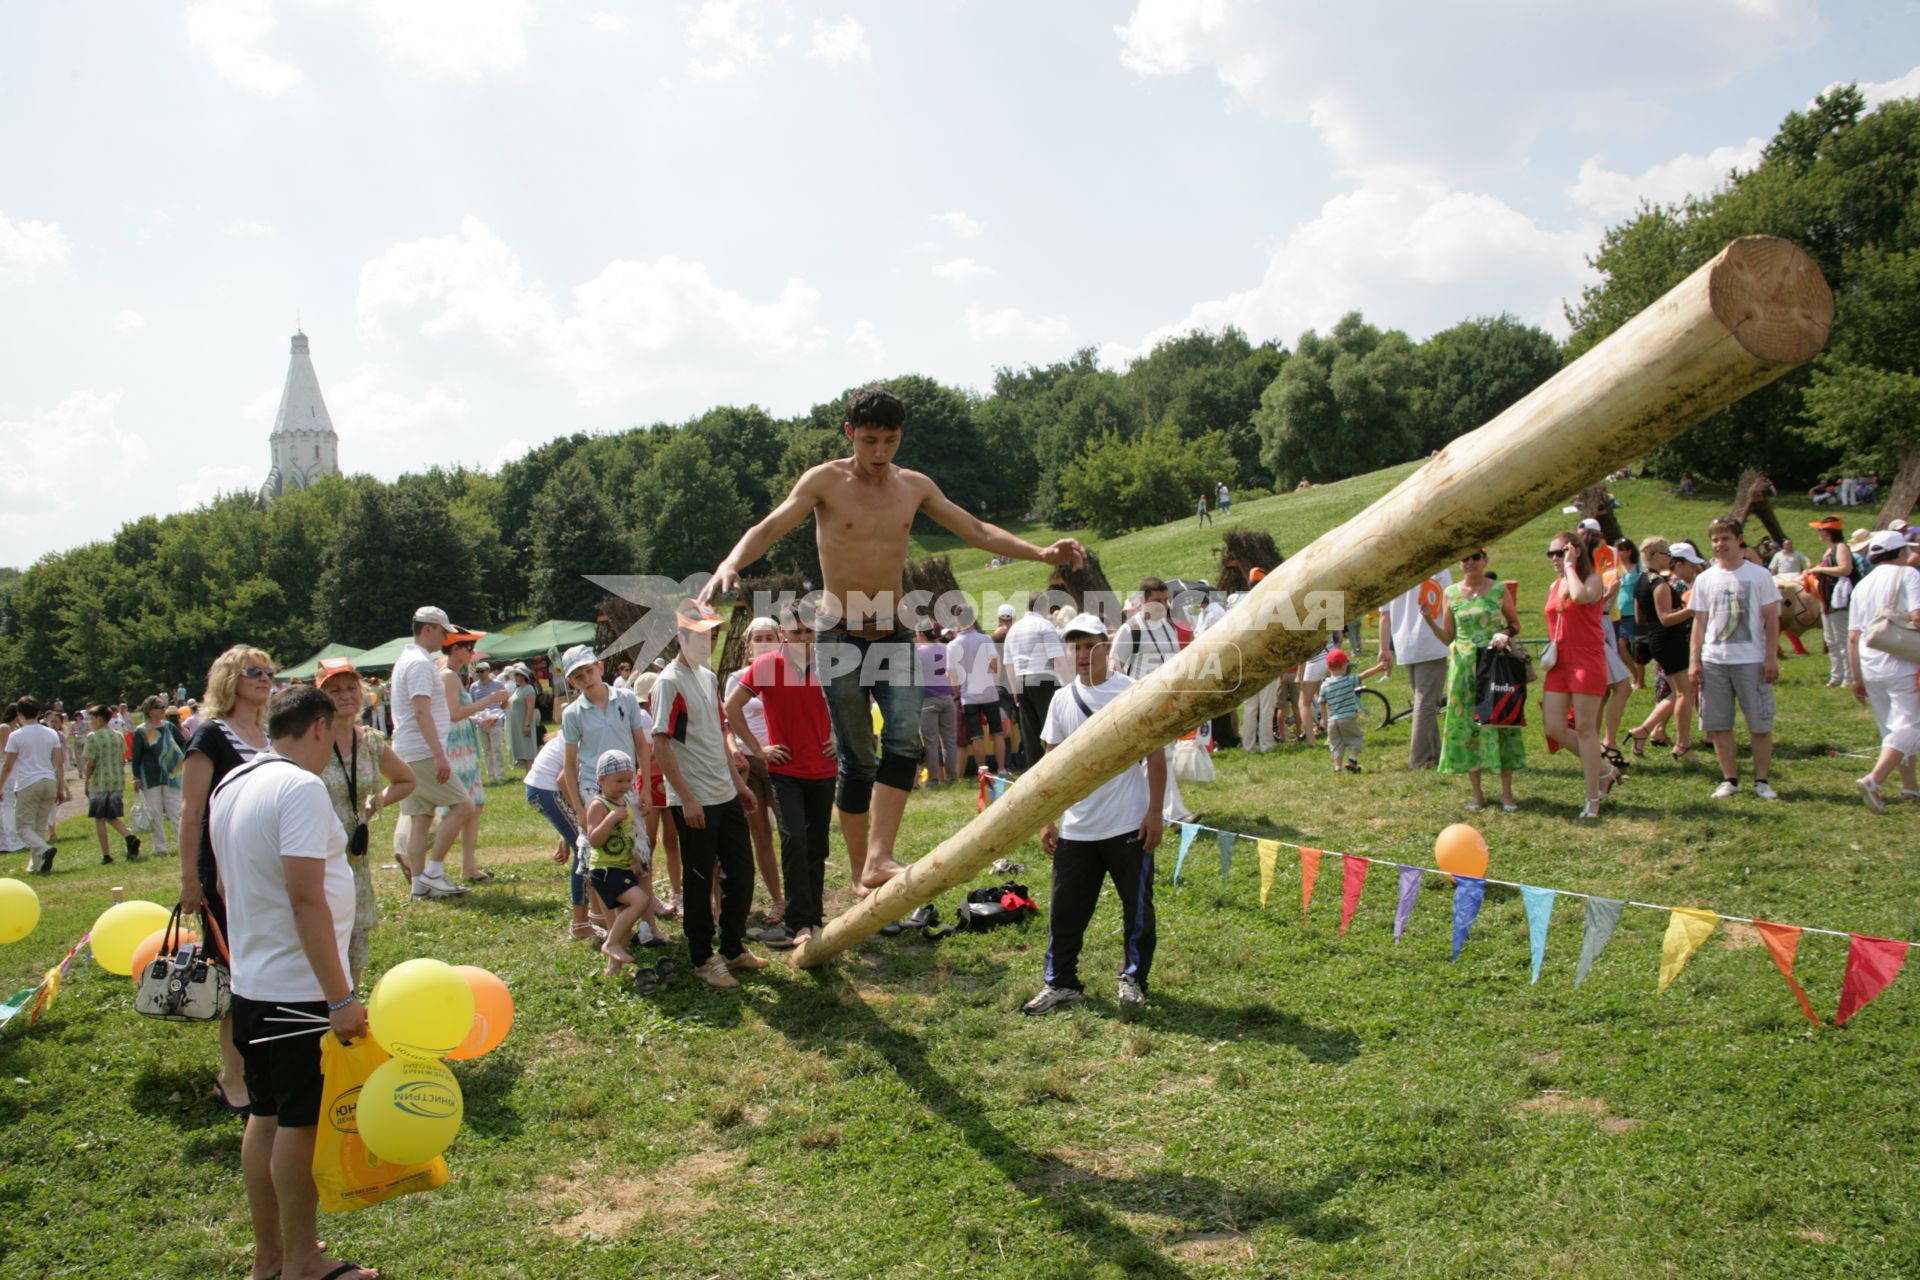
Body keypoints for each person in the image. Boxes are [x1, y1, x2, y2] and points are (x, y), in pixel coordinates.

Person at [701, 384, 1085, 891]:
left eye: (890, 440)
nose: (880, 453)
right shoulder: (824, 481)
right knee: (857, 756)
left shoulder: (914, 486)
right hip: (838, 636)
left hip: (894, 633)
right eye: (869, 441)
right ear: (849, 434)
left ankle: (879, 858)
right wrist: (732, 561)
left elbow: (977, 529)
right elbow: (771, 525)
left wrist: (1041, 553)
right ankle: (864, 872)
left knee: (903, 740)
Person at [209, 685, 376, 1280]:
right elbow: (307, 900)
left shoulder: (231, 783)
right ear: (318, 728)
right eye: (332, 737)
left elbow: (226, 889)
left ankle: (271, 1257)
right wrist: (342, 997)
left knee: (267, 1115)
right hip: (298, 992)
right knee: (299, 1124)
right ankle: (301, 1260)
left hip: (253, 986)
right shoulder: (301, 788)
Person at [1022, 614, 1165, 1016]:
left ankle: (1133, 979)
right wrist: (1047, 819)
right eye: (1077, 647)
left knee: (1137, 911)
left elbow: (1155, 754)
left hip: (1127, 823)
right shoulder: (1061, 699)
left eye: (1091, 646)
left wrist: (1155, 811)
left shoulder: (1132, 692)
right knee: (1065, 911)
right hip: (1077, 829)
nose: (1083, 655)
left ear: (1107, 646)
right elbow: (1050, 765)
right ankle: (1061, 983)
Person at [651, 600, 766, 988]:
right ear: (681, 636)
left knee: (743, 873)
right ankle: (702, 958)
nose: (709, 640)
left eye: (713, 634)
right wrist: (685, 797)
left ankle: (732, 949)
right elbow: (661, 743)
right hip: (694, 799)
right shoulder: (669, 682)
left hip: (724, 793)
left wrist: (738, 786)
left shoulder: (708, 676)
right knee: (700, 880)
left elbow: (718, 735)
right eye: (701, 634)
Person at [180, 644, 274, 1113]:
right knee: (238, 976)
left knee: (266, 970)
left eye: (268, 671)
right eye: (252, 671)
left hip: (266, 874)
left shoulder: (268, 734)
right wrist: (190, 878)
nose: (264, 678)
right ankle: (231, 1077)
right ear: (228, 679)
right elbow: (192, 811)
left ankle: (262, 1063)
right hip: (222, 876)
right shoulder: (210, 735)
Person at [734, 604, 840, 950]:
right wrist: (759, 748)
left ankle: (815, 916)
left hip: (823, 769)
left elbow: (857, 700)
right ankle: (797, 923)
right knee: (794, 839)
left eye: (809, 631)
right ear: (784, 635)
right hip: (785, 772)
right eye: (796, 632)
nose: (804, 638)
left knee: (818, 844)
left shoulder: (829, 663)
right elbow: (731, 708)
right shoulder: (766, 666)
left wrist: (840, 736)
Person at [313, 658, 416, 985]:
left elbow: (406, 780)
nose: (345, 696)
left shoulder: (370, 741)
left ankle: (350, 1001)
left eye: (350, 688)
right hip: (316, 849)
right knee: (321, 928)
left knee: (357, 933)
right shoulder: (311, 741)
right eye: (334, 690)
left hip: (356, 854)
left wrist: (375, 805)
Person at [1422, 549, 1526, 811]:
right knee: (1469, 729)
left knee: (1501, 723)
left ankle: (1507, 795)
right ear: (1459, 563)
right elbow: (1448, 637)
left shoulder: (1499, 589)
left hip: (1494, 665)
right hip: (1464, 669)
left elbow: (1515, 624)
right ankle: (1477, 795)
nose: (1470, 562)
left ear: (1485, 560)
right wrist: (1428, 621)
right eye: (1465, 558)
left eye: (1476, 557)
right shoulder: (1451, 593)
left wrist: (1504, 633)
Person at [388, 606, 481, 900]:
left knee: (421, 817)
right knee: (463, 806)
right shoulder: (418, 663)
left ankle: (418, 886)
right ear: (428, 629)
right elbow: (421, 711)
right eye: (443, 632)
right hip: (421, 751)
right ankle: (433, 872)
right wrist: (440, 755)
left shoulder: (408, 659)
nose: (445, 638)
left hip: (408, 750)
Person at [1691, 517, 1783, 801]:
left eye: (1725, 539)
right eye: (1715, 540)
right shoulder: (1705, 578)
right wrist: (1695, 660)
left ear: (1739, 540)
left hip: (1751, 659)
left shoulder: (1759, 576)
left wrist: (1770, 657)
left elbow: (1772, 619)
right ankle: (1730, 779)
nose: (1719, 545)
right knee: (1719, 724)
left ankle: (1762, 780)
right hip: (1715, 660)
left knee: (1759, 723)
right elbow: (1699, 622)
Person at [1541, 531, 1619, 819]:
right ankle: (1606, 770)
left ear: (1575, 552)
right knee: (1554, 727)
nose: (1555, 559)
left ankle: (1593, 798)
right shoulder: (1555, 583)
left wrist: (1572, 568)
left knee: (1587, 730)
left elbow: (1580, 596)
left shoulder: (1593, 579)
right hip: (1560, 662)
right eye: (1551, 554)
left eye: (1560, 553)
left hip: (1587, 659)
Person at [1110, 577, 1195, 822]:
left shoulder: (1169, 627)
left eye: (1165, 600)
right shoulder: (1131, 630)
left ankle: (1151, 810)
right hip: (1140, 704)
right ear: (1143, 601)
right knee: (1159, 756)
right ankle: (1174, 813)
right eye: (1157, 600)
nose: (1163, 605)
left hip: (1167, 701)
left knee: (1157, 757)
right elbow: (1115, 668)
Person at [1848, 529, 1920, 810]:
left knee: (1893, 729)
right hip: (1902, 663)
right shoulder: (1910, 575)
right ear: (1901, 553)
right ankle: (1874, 780)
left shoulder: (1862, 586)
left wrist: (1856, 677)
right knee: (1910, 726)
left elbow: (1853, 636)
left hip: (1870, 666)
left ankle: (1910, 786)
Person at [431, 633, 508, 884]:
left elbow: (455, 714)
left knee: (475, 806)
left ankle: (468, 866)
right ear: (455, 649)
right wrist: (488, 701)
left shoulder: (452, 675)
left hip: (463, 745)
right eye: (469, 648)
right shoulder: (448, 676)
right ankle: (426, 861)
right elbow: (453, 714)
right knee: (459, 808)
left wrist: (476, 718)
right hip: (456, 750)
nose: (472, 653)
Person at [725, 618, 787, 926]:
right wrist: (734, 749)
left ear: (780, 640)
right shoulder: (737, 677)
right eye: (758, 638)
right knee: (760, 833)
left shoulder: (789, 674)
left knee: (790, 830)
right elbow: (726, 721)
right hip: (748, 762)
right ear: (747, 645)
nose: (764, 642)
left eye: (769, 637)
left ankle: (799, 895)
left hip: (780, 759)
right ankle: (778, 901)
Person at [582, 749, 659, 977]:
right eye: (619, 781)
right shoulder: (599, 805)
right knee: (641, 901)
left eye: (628, 780)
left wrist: (634, 859)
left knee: (625, 920)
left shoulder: (624, 801)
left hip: (622, 867)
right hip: (604, 870)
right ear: (602, 779)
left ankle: (612, 969)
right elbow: (594, 840)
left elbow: (629, 834)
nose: (625, 785)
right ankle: (611, 943)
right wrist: (610, 818)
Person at [523, 733, 601, 939]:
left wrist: (567, 833)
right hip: (547, 789)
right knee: (584, 850)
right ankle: (580, 923)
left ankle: (594, 914)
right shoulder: (588, 735)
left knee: (581, 844)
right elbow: (563, 779)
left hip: (540, 788)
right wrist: (581, 816)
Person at [1378, 567, 1455, 769]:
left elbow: (1384, 616)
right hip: (1431, 642)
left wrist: (1384, 649)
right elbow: (1450, 603)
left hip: (1405, 644)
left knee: (1424, 703)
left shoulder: (1391, 573)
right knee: (1427, 704)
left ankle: (1434, 754)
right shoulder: (1439, 567)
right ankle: (1420, 760)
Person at [1005, 593, 1070, 780]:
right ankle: (1059, 770)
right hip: (1044, 679)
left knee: (1030, 732)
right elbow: (1056, 659)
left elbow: (1008, 664)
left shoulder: (1013, 629)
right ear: (1045, 606)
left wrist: (1014, 689)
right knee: (1053, 728)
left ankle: (1035, 774)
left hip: (1021, 679)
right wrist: (1070, 684)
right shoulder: (1045, 625)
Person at [0, 697, 65, 873]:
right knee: (38, 828)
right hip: (49, 781)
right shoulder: (51, 733)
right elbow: (59, 763)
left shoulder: (16, 735)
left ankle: (45, 850)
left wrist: (0, 786)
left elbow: (8, 765)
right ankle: (36, 866)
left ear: (19, 714)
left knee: (22, 828)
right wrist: (60, 788)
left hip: (28, 783)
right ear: (38, 713)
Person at [949, 607, 1007, 781]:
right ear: (973, 619)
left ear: (958, 621)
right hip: (989, 691)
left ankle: (984, 772)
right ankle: (1002, 768)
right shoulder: (985, 639)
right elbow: (996, 665)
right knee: (997, 733)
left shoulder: (953, 645)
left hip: (969, 695)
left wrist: (957, 696)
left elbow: (953, 676)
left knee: (977, 736)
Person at [130, 695, 187, 858]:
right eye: (160, 707)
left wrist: (180, 757)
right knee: (155, 813)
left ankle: (183, 843)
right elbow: (137, 756)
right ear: (150, 711)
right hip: (151, 776)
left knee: (176, 811)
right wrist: (136, 777)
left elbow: (182, 742)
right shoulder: (141, 731)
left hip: (172, 774)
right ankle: (160, 848)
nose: (164, 710)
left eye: (164, 707)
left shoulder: (168, 726)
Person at [82, 705, 139, 864]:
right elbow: (122, 758)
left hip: (100, 781)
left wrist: (87, 781)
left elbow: (90, 762)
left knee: (99, 818)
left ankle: (106, 854)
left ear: (99, 718)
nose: (90, 722)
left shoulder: (93, 737)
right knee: (110, 815)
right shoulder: (118, 735)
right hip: (116, 780)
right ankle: (129, 837)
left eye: (91, 718)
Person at [1808, 518, 1857, 687]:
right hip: (1827, 602)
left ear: (1828, 532)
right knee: (1831, 641)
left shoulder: (1841, 547)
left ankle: (1849, 678)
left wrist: (1819, 569)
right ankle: (1836, 676)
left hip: (1839, 602)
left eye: (1819, 530)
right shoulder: (1829, 550)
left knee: (1842, 640)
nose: (1818, 534)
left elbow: (1845, 568)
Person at [1316, 649, 1379, 774]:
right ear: (1345, 666)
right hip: (1348, 718)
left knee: (1336, 744)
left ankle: (1337, 768)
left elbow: (1322, 703)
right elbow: (1364, 675)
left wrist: (1325, 720)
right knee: (1356, 738)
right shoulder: (1348, 681)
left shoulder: (1324, 685)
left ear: (1328, 668)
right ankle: (1352, 759)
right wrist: (1379, 667)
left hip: (1332, 721)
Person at [914, 621, 959, 786]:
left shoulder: (918, 652)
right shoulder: (946, 648)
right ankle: (951, 777)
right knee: (949, 740)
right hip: (947, 697)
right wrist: (956, 695)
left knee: (931, 742)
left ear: (921, 634)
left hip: (927, 699)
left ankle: (933, 779)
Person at [470, 659, 510, 785]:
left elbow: (505, 700)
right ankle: (491, 775)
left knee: (497, 748)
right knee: (486, 750)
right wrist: (478, 719)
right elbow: (472, 704)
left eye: (482, 671)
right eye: (478, 671)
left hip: (495, 721)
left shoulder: (498, 684)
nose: (480, 673)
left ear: (488, 671)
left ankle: (500, 775)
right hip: (481, 722)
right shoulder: (474, 687)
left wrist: (498, 713)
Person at [1612, 541, 1646, 690]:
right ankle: (1635, 674)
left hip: (1635, 611)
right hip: (1619, 612)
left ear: (1630, 551)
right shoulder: (1614, 568)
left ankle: (1640, 680)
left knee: (1637, 647)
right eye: (1617, 550)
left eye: (1622, 550)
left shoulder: (1638, 567)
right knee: (1620, 645)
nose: (1619, 553)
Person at [507, 663, 540, 772]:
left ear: (523, 676)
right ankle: (528, 775)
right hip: (516, 725)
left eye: (517, 674)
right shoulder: (517, 689)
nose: (515, 677)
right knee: (523, 752)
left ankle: (531, 776)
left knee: (528, 752)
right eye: (515, 675)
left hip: (524, 723)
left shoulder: (529, 689)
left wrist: (526, 725)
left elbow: (530, 708)